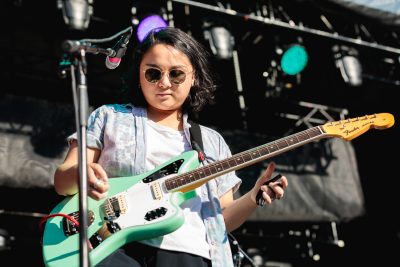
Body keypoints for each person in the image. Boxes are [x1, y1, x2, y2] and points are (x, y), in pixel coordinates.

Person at [54, 26, 288, 267]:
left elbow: (222, 219)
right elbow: (62, 182)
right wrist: (81, 173)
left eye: (176, 74)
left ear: (194, 76)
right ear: (139, 75)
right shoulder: (109, 117)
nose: (164, 83)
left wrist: (253, 197)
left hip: (192, 254)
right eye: (153, 74)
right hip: (115, 246)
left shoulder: (211, 141)